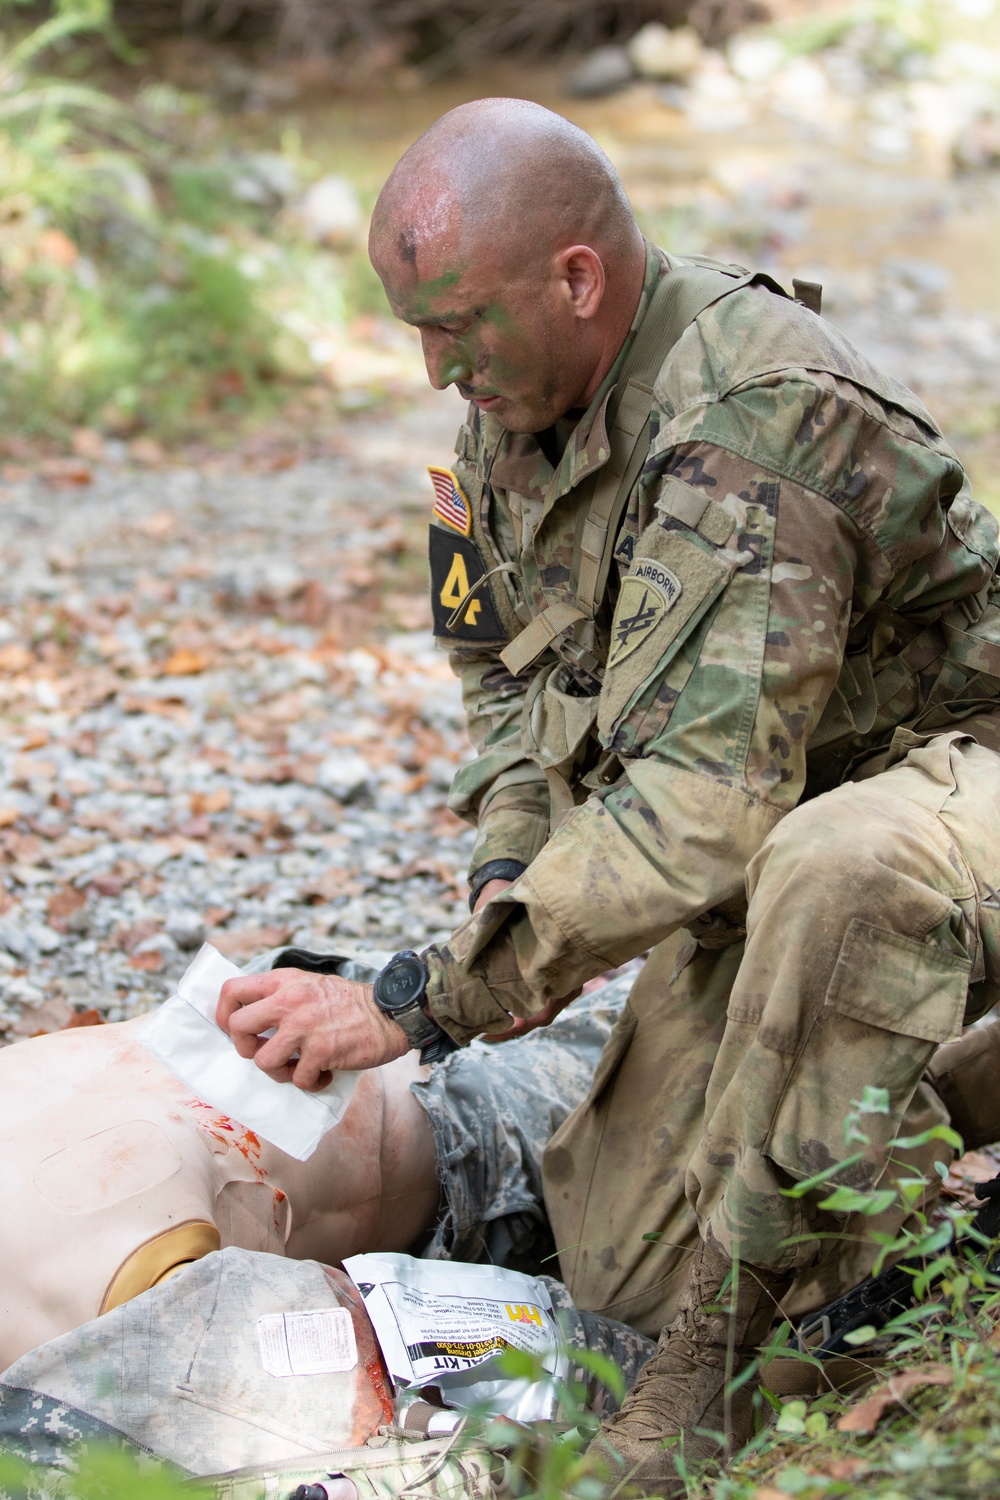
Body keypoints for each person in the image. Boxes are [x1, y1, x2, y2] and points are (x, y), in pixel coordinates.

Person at [216, 97, 1000, 1493]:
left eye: (453, 324)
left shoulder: (753, 420)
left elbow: (708, 804)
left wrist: (416, 1000)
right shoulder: (506, 419)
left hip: (942, 792)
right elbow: (509, 690)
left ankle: (721, 1377)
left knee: (841, 871)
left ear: (576, 280)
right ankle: (897, 1091)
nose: (429, 368)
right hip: (778, 822)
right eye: (414, 327)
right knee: (620, 1260)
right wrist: (505, 887)